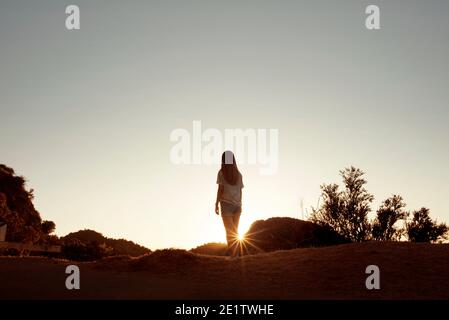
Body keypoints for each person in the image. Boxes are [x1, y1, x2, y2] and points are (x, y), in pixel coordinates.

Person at [215, 151, 244, 257]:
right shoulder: (239, 174)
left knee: (229, 232)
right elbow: (240, 191)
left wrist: (216, 204)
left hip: (226, 205)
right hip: (237, 206)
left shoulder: (221, 173)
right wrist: (240, 205)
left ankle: (234, 255)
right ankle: (237, 254)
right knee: (235, 232)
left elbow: (220, 189)